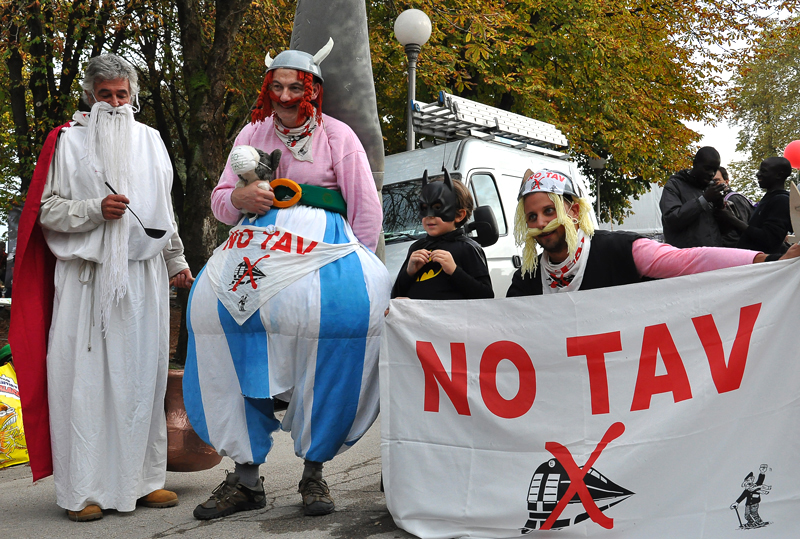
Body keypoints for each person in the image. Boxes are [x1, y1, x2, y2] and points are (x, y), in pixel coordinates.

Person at [184, 40, 391, 520]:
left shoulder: (338, 136)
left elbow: (365, 210)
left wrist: (358, 269)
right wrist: (240, 199)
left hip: (322, 252)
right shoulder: (251, 132)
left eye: (295, 88)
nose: (283, 96)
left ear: (313, 90)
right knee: (216, 320)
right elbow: (220, 202)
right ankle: (244, 477)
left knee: (337, 326)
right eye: (275, 87)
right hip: (254, 252)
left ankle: (314, 470)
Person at [9, 54, 193, 522]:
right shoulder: (66, 141)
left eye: (122, 95)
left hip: (142, 278)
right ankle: (83, 491)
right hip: (86, 279)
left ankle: (144, 482)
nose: (114, 103)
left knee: (141, 380)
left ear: (133, 96)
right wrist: (94, 210)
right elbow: (45, 210)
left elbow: (163, 210)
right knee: (84, 384)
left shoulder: (151, 140)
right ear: (90, 95)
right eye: (105, 94)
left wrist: (176, 259)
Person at [506, 168, 800, 297]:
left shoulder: (619, 249)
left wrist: (770, 261)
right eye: (532, 216)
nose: (541, 223)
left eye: (549, 211)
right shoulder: (526, 279)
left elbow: (690, 260)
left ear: (572, 211)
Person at [391, 171, 493, 300]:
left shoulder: (467, 248)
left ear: (459, 215)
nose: (429, 216)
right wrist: (409, 272)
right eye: (424, 208)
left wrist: (454, 271)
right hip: (418, 314)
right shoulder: (417, 248)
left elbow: (486, 296)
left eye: (438, 208)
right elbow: (396, 295)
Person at [715, 157, 793, 254]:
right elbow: (751, 234)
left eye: (764, 171)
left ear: (779, 175)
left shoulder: (781, 200)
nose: (758, 174)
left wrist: (732, 219)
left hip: (762, 261)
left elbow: (769, 239)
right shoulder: (770, 197)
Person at [660, 146, 726, 247]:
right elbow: (671, 220)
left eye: (715, 170)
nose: (711, 174)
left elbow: (725, 230)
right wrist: (704, 199)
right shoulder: (674, 185)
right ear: (695, 164)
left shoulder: (711, 188)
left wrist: (720, 207)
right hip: (687, 254)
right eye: (707, 168)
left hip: (712, 252)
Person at [712, 166, 754, 247]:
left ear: (726, 181)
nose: (713, 184)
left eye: (716, 180)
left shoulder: (734, 199)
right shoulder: (718, 199)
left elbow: (742, 228)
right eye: (710, 180)